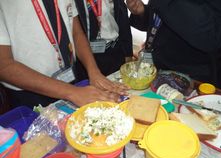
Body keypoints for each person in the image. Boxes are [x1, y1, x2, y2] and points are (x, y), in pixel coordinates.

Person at [0, 0, 128, 109]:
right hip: (31, 93)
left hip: (71, 80)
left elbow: (76, 33)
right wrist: (72, 93)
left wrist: (93, 72)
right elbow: (3, 65)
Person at [126, 0, 221, 92]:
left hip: (195, 82)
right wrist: (142, 13)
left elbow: (212, 35)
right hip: (159, 70)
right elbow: (163, 18)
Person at [73, 0, 133, 81]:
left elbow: (123, 19)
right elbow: (75, 33)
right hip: (88, 58)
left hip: (115, 51)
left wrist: (128, 53)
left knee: (121, 89)